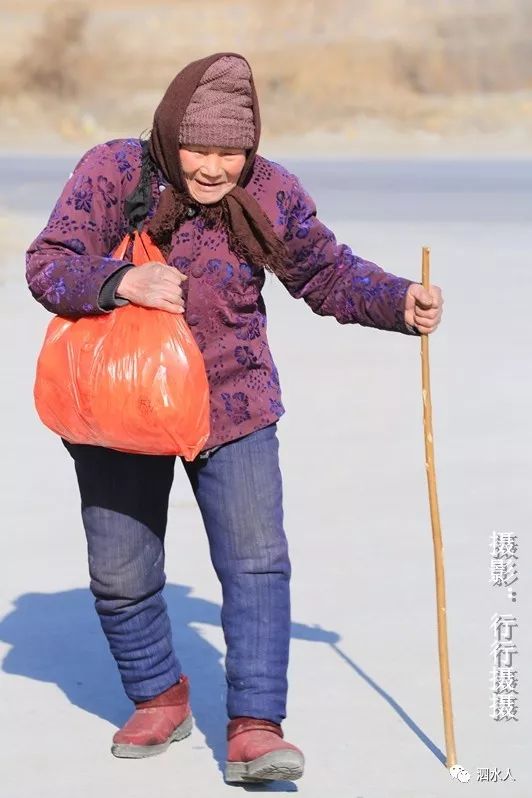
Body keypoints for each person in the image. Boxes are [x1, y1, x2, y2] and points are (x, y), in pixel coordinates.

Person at [26, 52, 443, 783]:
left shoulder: (271, 191)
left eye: (232, 151)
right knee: (121, 573)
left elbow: (325, 272)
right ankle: (158, 694)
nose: (217, 168)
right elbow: (48, 264)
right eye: (201, 148)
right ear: (168, 130)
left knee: (256, 563)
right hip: (121, 403)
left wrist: (397, 301)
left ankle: (256, 724)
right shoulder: (112, 172)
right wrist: (121, 279)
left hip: (233, 402)